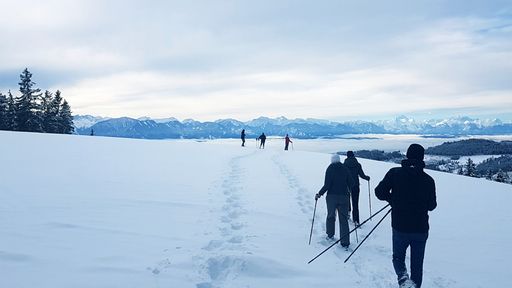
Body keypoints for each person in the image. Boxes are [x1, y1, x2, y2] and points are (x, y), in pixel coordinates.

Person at [375, 144, 437, 288]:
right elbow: (432, 206)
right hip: (420, 228)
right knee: (417, 266)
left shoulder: (394, 173)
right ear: (422, 158)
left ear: (407, 156)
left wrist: (393, 200)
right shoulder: (428, 180)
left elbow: (379, 192)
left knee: (398, 258)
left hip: (399, 226)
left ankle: (403, 279)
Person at [315, 154, 355, 248]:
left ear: (332, 160)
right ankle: (345, 242)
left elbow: (327, 185)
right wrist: (347, 188)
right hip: (344, 197)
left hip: (331, 197)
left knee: (331, 216)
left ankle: (330, 235)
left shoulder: (330, 169)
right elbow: (352, 183)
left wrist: (319, 194)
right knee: (343, 219)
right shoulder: (345, 168)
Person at [344, 151, 370, 226]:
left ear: (347, 156)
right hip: (356, 186)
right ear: (353, 156)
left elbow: (343, 175)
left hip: (347, 186)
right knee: (355, 203)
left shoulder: (344, 165)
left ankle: (348, 214)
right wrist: (367, 178)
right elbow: (361, 175)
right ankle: (356, 220)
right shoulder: (358, 165)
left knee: (347, 200)